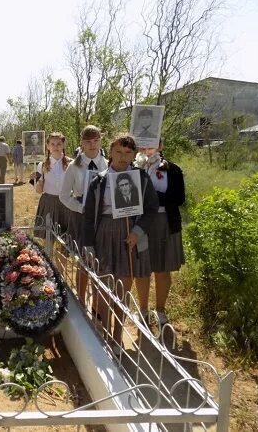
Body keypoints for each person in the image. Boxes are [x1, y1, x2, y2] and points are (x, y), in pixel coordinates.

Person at [83, 134, 159, 356]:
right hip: (105, 235)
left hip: (130, 237)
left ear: (134, 154)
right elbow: (88, 217)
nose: (123, 157)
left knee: (122, 290)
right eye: (118, 152)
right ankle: (105, 333)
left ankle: (117, 336)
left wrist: (137, 231)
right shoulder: (99, 181)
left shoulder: (141, 179)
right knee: (105, 289)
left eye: (128, 153)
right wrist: (88, 245)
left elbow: (152, 209)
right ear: (111, 152)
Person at [135, 139, 185, 327]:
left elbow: (179, 198)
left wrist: (152, 197)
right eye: (144, 145)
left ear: (161, 146)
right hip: (140, 224)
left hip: (164, 222)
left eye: (152, 145)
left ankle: (160, 310)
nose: (148, 149)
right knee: (142, 269)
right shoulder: (133, 168)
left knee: (162, 269)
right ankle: (143, 309)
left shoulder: (172, 169)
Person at [59, 125, 108, 303]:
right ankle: (80, 298)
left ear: (100, 141)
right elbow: (64, 196)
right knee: (83, 259)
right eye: (88, 141)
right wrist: (82, 208)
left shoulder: (107, 163)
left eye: (96, 140)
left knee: (100, 259)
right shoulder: (74, 166)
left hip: (102, 217)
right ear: (82, 143)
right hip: (81, 217)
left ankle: (97, 302)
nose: (92, 145)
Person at [32, 132, 72, 239]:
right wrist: (35, 180)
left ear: (63, 145)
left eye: (59, 144)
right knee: (49, 238)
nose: (55, 147)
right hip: (48, 202)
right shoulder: (42, 165)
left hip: (67, 203)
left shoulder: (71, 164)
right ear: (48, 146)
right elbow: (39, 191)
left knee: (67, 240)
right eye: (52, 144)